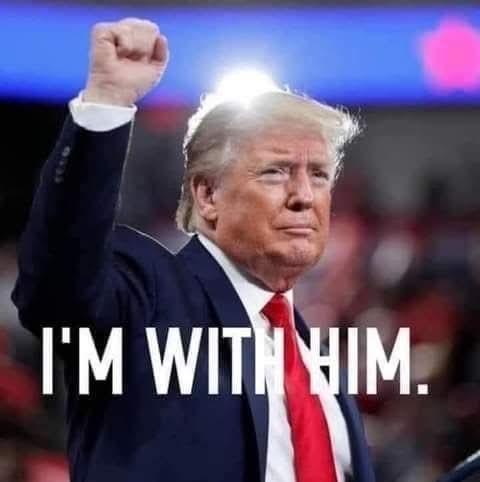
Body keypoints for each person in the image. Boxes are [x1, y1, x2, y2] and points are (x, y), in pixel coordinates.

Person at [12, 18, 375, 482]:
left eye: (319, 174)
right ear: (207, 195)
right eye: (275, 172)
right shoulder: (143, 297)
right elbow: (59, 282)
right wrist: (107, 101)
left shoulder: (312, 356)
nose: (304, 195)